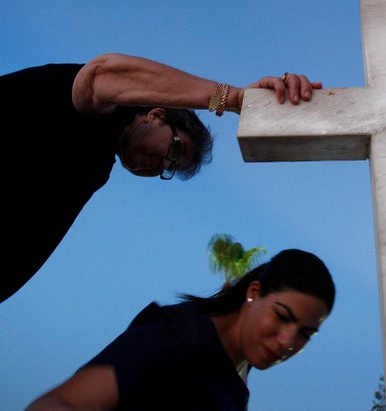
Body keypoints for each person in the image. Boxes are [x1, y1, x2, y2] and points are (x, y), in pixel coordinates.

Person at [1, 53, 322, 303]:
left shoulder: (96, 167)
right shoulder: (104, 110)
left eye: (169, 169)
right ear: (156, 115)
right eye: (174, 149)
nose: (161, 166)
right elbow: (101, 76)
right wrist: (235, 99)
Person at [26, 248, 335, 410]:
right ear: (253, 293)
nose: (287, 341)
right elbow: (54, 405)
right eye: (282, 316)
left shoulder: (236, 386)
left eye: (306, 333)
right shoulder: (179, 337)